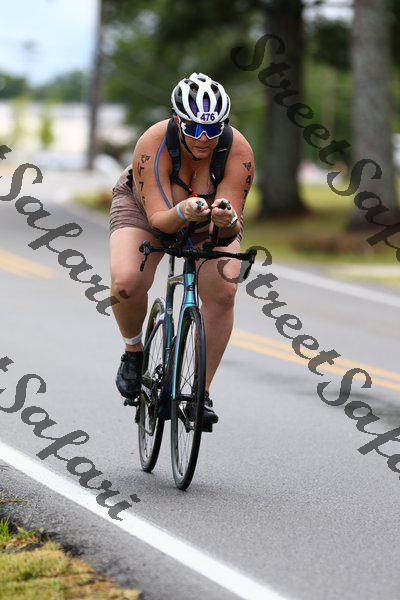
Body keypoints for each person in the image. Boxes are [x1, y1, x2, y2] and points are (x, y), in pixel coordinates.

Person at [109, 72, 254, 428]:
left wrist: (225, 220)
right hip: (148, 210)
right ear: (177, 120)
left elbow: (230, 230)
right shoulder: (153, 141)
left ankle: (201, 393)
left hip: (204, 223)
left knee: (224, 292)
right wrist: (183, 211)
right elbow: (159, 222)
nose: (203, 138)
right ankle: (133, 351)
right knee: (126, 282)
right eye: (193, 127)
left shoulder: (238, 151)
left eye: (213, 128)